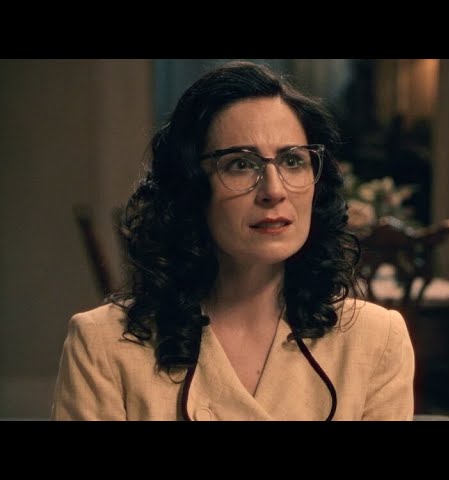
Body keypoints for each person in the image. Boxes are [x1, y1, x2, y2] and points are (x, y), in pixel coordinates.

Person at [51, 61, 415, 420]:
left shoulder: (376, 341)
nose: (274, 191)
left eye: (292, 161)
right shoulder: (103, 345)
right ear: (191, 187)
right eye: (240, 164)